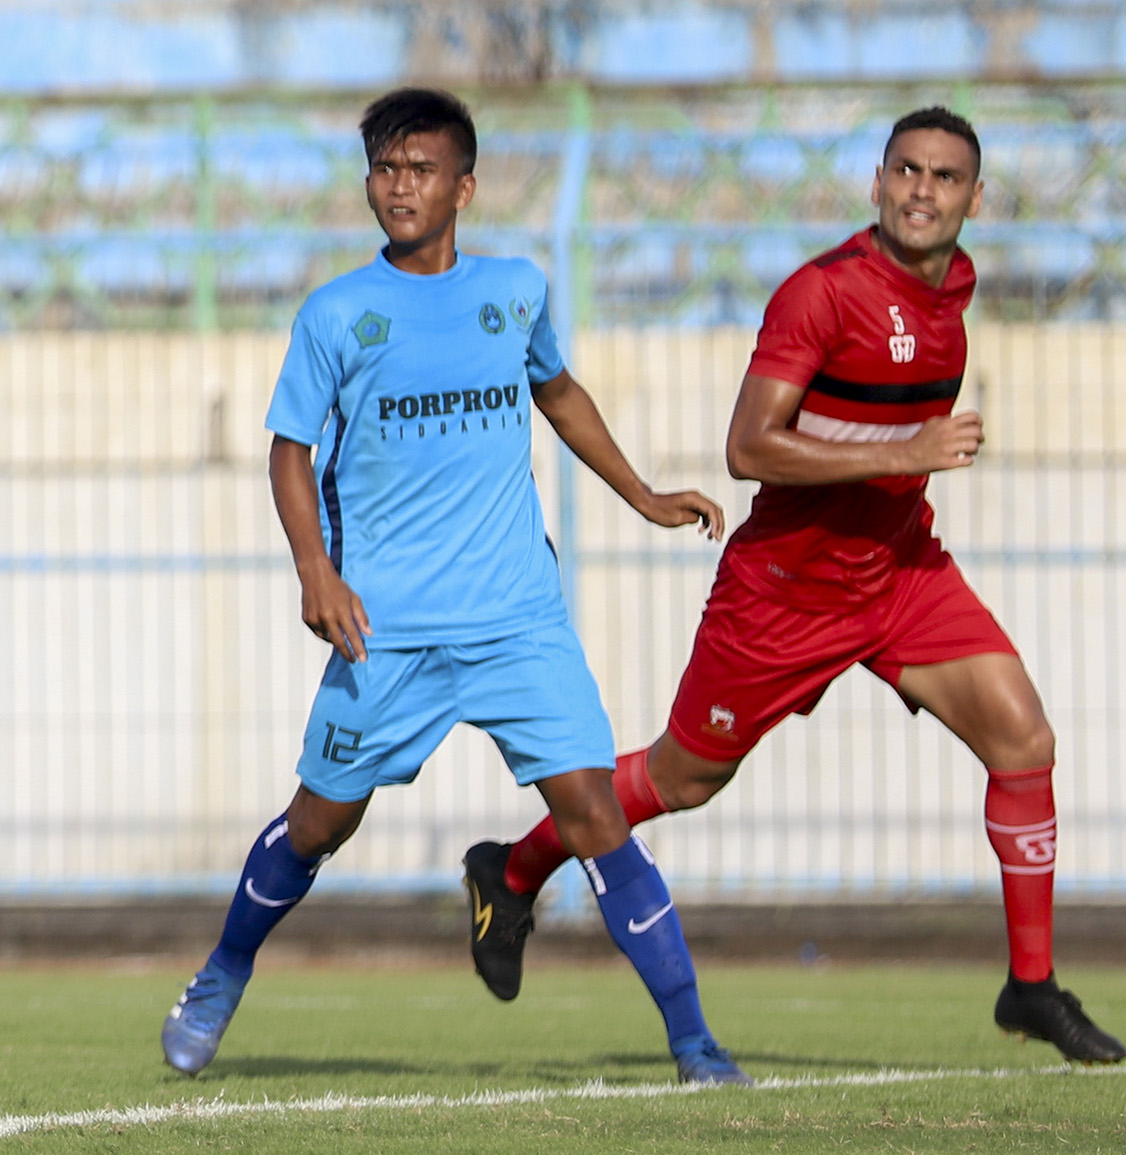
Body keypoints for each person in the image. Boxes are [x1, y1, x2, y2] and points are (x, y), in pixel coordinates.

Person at [460, 107, 1124, 1065]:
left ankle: (1030, 986)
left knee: (1025, 738)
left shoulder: (957, 287)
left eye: (945, 177)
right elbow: (747, 447)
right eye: (907, 170)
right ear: (878, 182)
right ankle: (512, 871)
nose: (922, 191)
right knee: (685, 777)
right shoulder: (822, 293)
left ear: (976, 200)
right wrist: (909, 447)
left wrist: (902, 469)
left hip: (899, 568)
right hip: (786, 590)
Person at [159, 88, 748, 1085]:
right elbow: (288, 451)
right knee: (317, 821)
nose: (399, 186)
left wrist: (640, 492)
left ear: (462, 186)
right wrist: (315, 569)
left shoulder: (514, 289)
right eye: (384, 169)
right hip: (385, 629)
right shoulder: (337, 311)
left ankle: (694, 1042)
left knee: (595, 813)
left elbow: (555, 389)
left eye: (419, 169)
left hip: (516, 616)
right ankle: (220, 972)